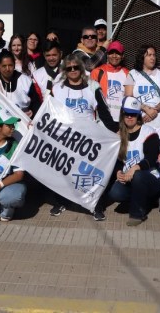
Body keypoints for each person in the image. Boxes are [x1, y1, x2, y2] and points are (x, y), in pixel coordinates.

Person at [46, 54, 117, 219]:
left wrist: (115, 131)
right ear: (64, 70)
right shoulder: (58, 88)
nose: (72, 71)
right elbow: (47, 110)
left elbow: (105, 114)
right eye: (68, 68)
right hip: (64, 137)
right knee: (62, 171)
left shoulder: (92, 87)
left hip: (87, 139)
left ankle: (95, 206)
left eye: (76, 67)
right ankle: (61, 201)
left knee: (90, 172)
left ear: (81, 69)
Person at [108, 97, 160, 226]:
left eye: (133, 114)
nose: (130, 117)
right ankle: (140, 200)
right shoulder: (120, 135)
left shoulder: (149, 132)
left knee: (138, 175)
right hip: (130, 177)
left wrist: (136, 167)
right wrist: (118, 172)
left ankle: (137, 213)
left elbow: (151, 158)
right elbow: (118, 160)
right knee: (115, 193)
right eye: (127, 114)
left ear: (138, 115)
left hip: (150, 175)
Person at [125, 45, 160, 129]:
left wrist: (155, 111)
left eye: (154, 55)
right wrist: (146, 109)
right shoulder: (132, 74)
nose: (152, 58)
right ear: (142, 57)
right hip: (140, 120)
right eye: (149, 55)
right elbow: (128, 97)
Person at [90, 40, 132, 123]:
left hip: (121, 120)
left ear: (122, 56)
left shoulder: (128, 74)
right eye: (111, 53)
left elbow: (130, 97)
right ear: (107, 55)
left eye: (117, 53)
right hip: (102, 120)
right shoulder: (97, 72)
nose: (114, 56)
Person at [0, 51, 41, 118]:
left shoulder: (25, 80)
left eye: (10, 65)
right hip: (3, 122)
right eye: (4, 66)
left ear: (14, 65)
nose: (7, 69)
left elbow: (36, 103)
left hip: (25, 121)